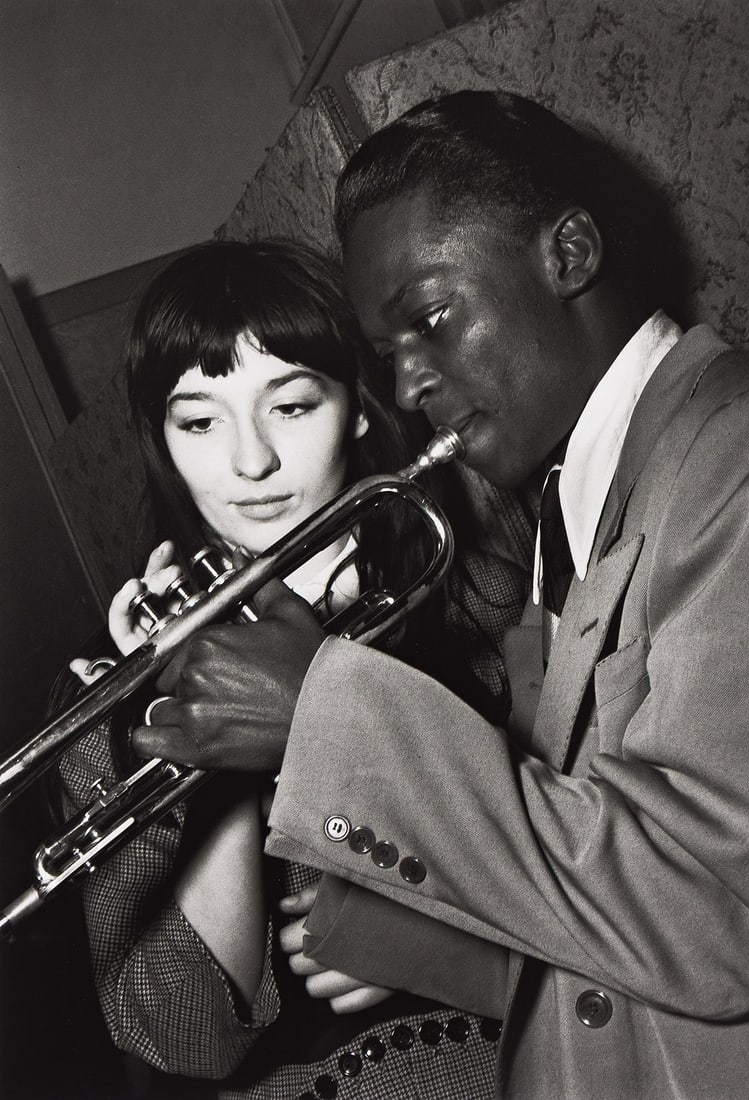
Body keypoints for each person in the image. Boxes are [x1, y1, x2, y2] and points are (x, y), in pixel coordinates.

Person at [134, 92, 749, 1100]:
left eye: (432, 320)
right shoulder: (570, 503)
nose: (406, 385)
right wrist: (422, 935)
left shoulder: (742, 439)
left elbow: (718, 913)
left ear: (567, 253)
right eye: (197, 420)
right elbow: (599, 905)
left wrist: (318, 707)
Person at [57, 237, 528, 1100]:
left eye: (292, 405)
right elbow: (183, 1037)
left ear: (355, 407)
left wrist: (454, 938)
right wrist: (204, 747)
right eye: (199, 420)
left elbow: (622, 883)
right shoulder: (110, 703)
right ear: (163, 441)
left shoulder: (483, 602)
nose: (250, 463)